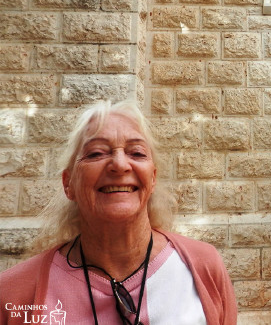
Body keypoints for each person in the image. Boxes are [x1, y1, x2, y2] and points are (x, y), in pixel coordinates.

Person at [0, 100, 237, 325]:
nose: (120, 165)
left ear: (152, 178)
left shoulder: (204, 268)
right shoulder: (13, 294)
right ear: (68, 183)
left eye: (137, 153)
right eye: (96, 153)